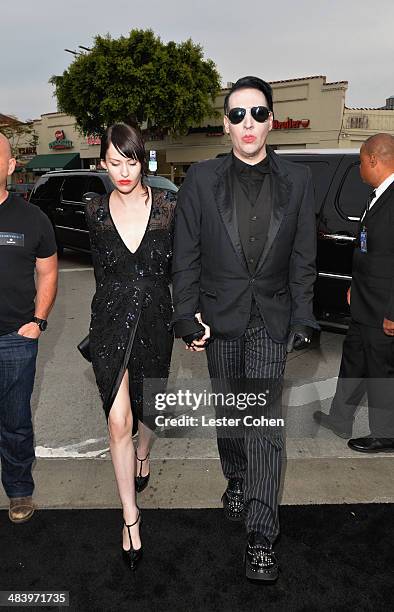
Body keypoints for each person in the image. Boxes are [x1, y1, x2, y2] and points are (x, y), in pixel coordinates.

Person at [171, 76, 319, 582]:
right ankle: (236, 477)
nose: (248, 123)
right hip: (218, 319)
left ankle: (261, 532)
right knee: (231, 417)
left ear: (271, 120)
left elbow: (304, 258)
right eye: (237, 115)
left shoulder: (298, 182)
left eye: (257, 113)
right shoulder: (200, 180)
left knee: (261, 425)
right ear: (226, 125)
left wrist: (303, 315)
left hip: (270, 321)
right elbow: (186, 254)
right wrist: (185, 312)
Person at [85, 123, 176, 570]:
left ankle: (144, 455)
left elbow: (182, 268)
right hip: (109, 323)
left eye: (131, 161)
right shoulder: (93, 211)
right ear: (103, 162)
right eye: (115, 162)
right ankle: (130, 517)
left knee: (149, 416)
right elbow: (102, 275)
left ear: (144, 160)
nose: (124, 171)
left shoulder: (169, 207)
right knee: (118, 421)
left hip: (156, 321)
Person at [314, 133, 394, 452]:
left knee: (380, 370)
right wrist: (353, 286)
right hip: (364, 299)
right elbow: (371, 250)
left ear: (374, 159)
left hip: (384, 306)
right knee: (354, 360)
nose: (360, 168)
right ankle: (340, 418)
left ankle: (385, 432)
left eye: (361, 161)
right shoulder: (377, 195)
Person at [0, 133, 58, 523]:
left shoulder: (31, 218)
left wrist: (37, 322)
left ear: (9, 166)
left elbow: (49, 271)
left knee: (15, 422)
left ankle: (19, 491)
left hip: (15, 340)